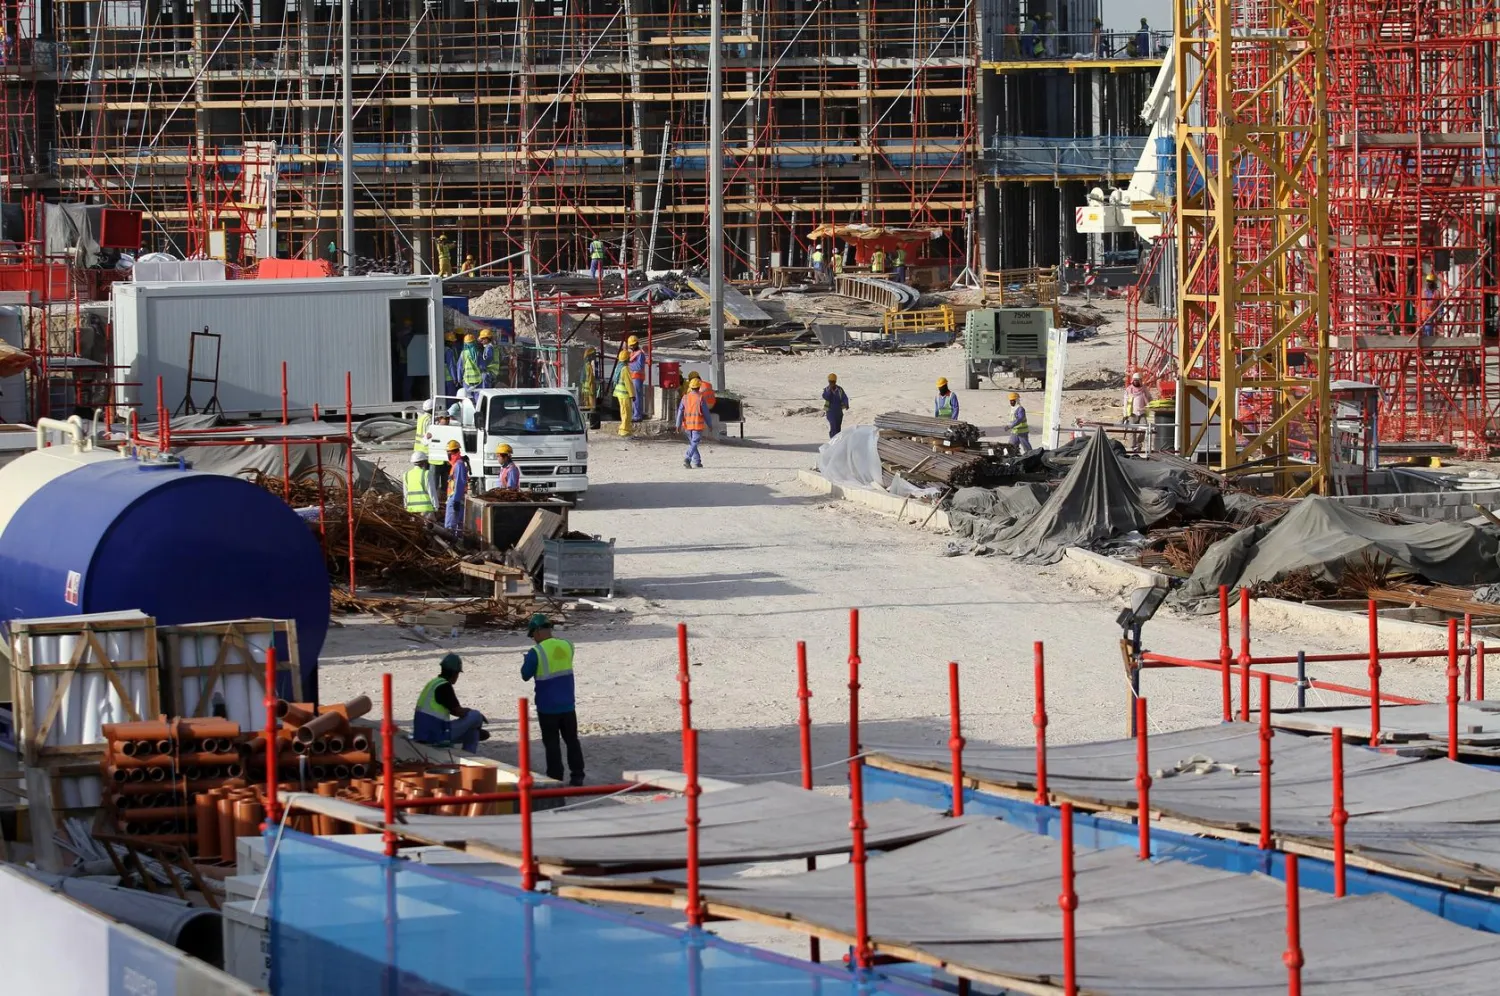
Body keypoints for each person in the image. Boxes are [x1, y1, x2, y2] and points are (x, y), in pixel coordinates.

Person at [521, 614, 584, 785]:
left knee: (552, 744)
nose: (533, 639)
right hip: (568, 704)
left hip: (547, 707)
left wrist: (527, 660)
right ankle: (577, 776)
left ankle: (555, 778)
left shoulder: (536, 652)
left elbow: (525, 675)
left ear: (538, 631)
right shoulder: (567, 645)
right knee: (572, 741)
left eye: (533, 635)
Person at [413, 653, 489, 750]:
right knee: (476, 715)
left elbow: (453, 710)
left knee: (473, 733)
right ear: (454, 673)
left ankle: (468, 754)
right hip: (435, 735)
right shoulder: (444, 687)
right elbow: (458, 712)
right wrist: (475, 715)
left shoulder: (433, 683)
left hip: (422, 733)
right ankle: (476, 730)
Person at [678, 377, 708, 469]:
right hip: (697, 425)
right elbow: (706, 413)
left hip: (687, 425)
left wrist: (677, 424)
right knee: (694, 442)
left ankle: (697, 461)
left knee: (693, 442)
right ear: (699, 387)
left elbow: (680, 411)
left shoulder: (685, 397)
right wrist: (710, 424)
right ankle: (687, 458)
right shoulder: (700, 398)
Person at [443, 439, 471, 531]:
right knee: (458, 525)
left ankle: (450, 543)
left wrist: (456, 501)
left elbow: (459, 483)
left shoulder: (458, 465)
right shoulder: (457, 464)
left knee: (450, 525)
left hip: (455, 498)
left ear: (451, 453)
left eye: (448, 452)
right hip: (457, 498)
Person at [403, 451, 438, 521]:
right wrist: (436, 506)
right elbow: (431, 491)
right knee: (428, 529)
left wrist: (405, 505)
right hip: (425, 508)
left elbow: (405, 493)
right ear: (424, 462)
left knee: (415, 529)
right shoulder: (426, 474)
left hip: (412, 509)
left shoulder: (406, 475)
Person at [1123, 373, 1151, 454]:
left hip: (1142, 413)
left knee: (1144, 428)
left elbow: (1149, 398)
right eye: (1134, 380)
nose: (1135, 382)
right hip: (1132, 414)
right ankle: (1133, 447)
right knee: (1132, 430)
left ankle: (1139, 443)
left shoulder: (1144, 389)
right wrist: (1125, 415)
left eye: (1137, 380)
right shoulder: (1129, 390)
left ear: (1140, 381)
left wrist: (1151, 404)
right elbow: (1125, 403)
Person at [613, 349, 635, 436]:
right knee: (627, 413)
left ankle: (625, 429)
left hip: (619, 394)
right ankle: (624, 431)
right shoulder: (625, 368)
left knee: (623, 412)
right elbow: (628, 382)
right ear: (626, 359)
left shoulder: (618, 367)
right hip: (624, 394)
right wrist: (632, 394)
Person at [822, 373, 849, 438]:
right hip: (830, 412)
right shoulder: (826, 390)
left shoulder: (839, 389)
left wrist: (846, 404)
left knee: (838, 427)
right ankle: (833, 442)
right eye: (831, 382)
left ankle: (837, 442)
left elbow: (844, 397)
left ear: (835, 381)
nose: (832, 383)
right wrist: (830, 391)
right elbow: (826, 397)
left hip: (839, 412)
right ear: (828, 381)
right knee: (833, 427)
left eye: (833, 382)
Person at [627, 334, 647, 421]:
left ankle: (637, 416)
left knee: (637, 397)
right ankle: (635, 414)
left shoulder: (640, 354)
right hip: (633, 377)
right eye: (630, 345)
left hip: (637, 377)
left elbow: (639, 366)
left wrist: (628, 365)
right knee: (634, 397)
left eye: (633, 345)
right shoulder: (633, 353)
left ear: (636, 344)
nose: (631, 346)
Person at [459, 332, 484, 403]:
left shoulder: (463, 354)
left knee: (468, 400)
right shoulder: (478, 353)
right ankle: (477, 412)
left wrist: (459, 378)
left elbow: (460, 367)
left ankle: (469, 412)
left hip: (467, 380)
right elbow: (482, 367)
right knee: (478, 399)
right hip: (478, 380)